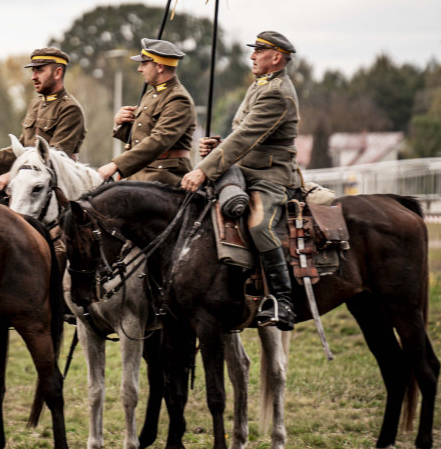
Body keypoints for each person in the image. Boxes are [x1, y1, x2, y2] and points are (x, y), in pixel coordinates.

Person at [181, 31, 301, 330]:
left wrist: (204, 169)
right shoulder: (260, 86)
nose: (252, 56)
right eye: (254, 50)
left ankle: (282, 301)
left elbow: (246, 137)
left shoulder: (277, 92)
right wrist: (218, 146)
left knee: (259, 225)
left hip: (270, 176)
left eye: (259, 51)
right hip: (244, 170)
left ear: (276, 57)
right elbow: (243, 136)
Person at [0, 47, 86, 189]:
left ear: (58, 73)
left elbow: (54, 157)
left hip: (56, 189)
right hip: (30, 184)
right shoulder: (35, 103)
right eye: (33, 71)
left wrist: (11, 175)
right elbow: (23, 147)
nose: (33, 76)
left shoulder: (69, 109)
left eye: (40, 70)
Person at [97, 38, 196, 185]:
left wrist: (116, 164)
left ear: (160, 67)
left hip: (164, 177)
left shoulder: (178, 99)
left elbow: (158, 141)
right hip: (139, 174)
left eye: (144, 63)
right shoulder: (150, 95)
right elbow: (138, 139)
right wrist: (119, 123)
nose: (139, 69)